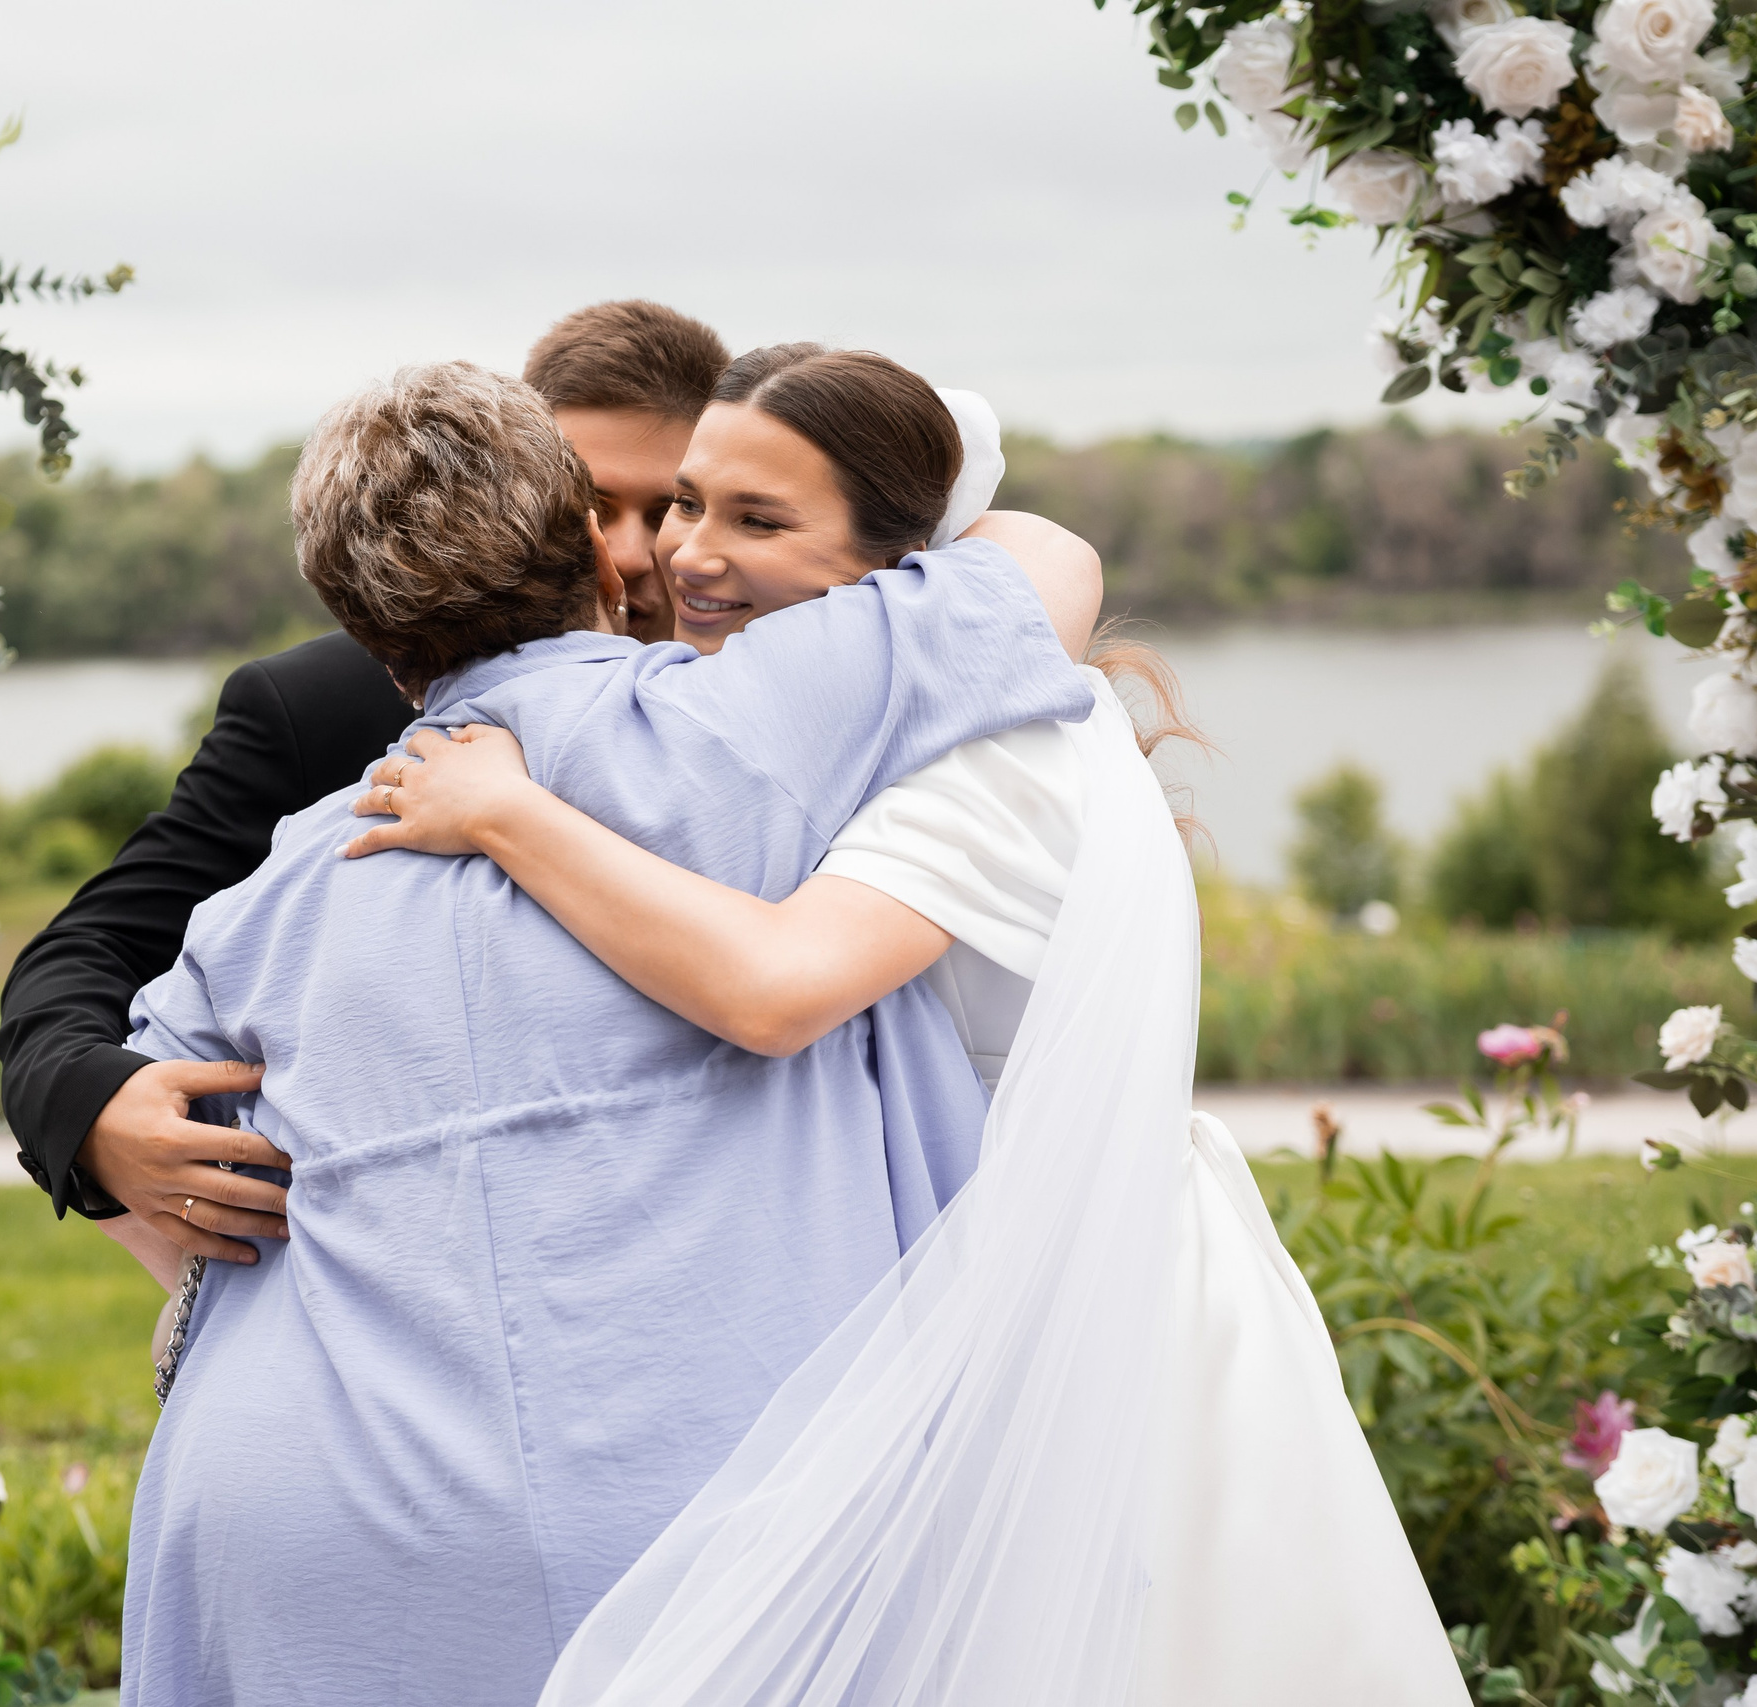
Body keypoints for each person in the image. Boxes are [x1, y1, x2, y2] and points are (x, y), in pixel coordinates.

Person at [346, 344, 1467, 1704]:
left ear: (903, 568)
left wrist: (509, 816)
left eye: (759, 521)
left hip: (1058, 1283)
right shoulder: (799, 723)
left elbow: (773, 990)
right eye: (688, 501)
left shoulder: (993, 752)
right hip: (910, 1270)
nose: (685, 553)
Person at [108, 357, 1101, 1704]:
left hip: (280, 1517)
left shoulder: (268, 897)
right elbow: (1047, 566)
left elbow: (158, 1175)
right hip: (679, 1516)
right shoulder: (764, 715)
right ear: (594, 544)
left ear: (363, 626)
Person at [0, 299, 728, 1244]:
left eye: (671, 509)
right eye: (595, 506)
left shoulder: (787, 694)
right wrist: (96, 1112)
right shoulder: (319, 706)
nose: (629, 549)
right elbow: (91, 949)